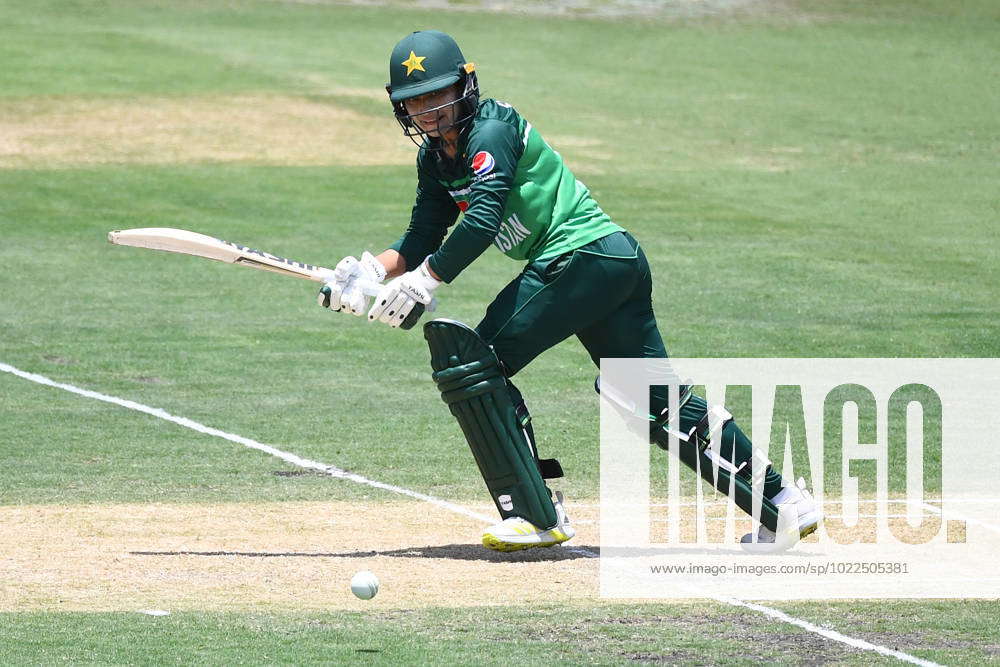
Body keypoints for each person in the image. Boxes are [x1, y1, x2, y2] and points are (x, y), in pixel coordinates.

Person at [318, 30, 821, 553]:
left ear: (466, 85)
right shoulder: (436, 161)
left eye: (437, 94)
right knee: (653, 399)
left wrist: (426, 280)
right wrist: (367, 274)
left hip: (579, 257)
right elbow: (422, 235)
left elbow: (485, 217)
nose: (428, 110)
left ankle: (537, 515)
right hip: (610, 260)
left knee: (474, 363)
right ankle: (782, 505)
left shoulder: (490, 131)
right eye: (414, 101)